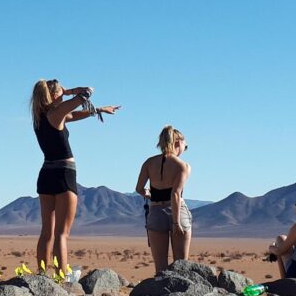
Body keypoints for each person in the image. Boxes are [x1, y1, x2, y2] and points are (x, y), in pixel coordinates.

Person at [30, 78, 120, 276]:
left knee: (47, 232)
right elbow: (87, 92)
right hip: (64, 173)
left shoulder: (40, 116)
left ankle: (42, 275)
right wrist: (72, 91)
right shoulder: (56, 113)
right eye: (60, 91)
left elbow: (73, 115)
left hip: (46, 174)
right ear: (54, 95)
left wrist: (99, 110)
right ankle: (62, 277)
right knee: (62, 233)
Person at [134, 125, 192, 275]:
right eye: (185, 146)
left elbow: (139, 189)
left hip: (155, 212)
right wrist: (176, 222)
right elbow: (175, 194)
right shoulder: (182, 166)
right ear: (178, 143)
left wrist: (152, 195)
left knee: (160, 268)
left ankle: (160, 295)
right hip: (178, 213)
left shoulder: (149, 163)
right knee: (181, 266)